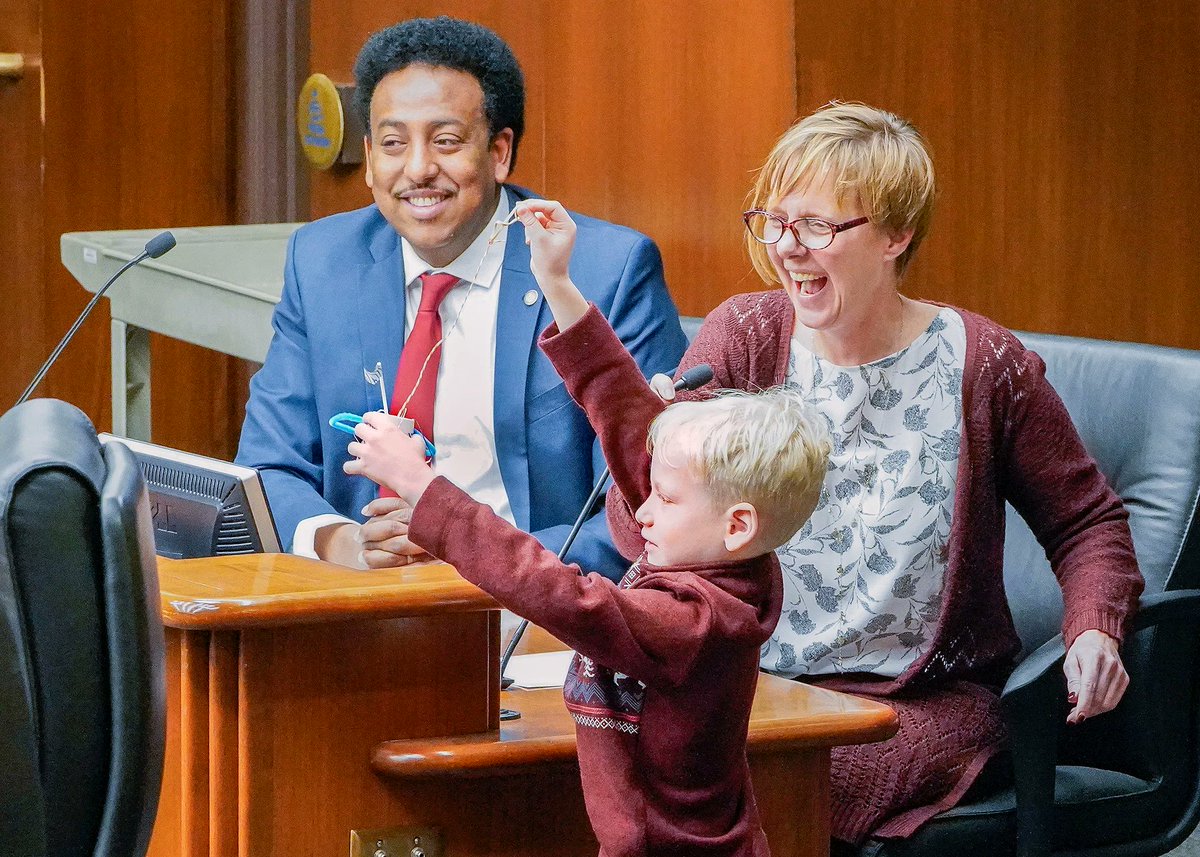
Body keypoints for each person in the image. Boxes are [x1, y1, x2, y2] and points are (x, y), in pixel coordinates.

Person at [660, 102, 1145, 846]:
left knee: (784, 772)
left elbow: (1086, 522)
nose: (788, 247)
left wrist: (1093, 628)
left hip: (924, 700)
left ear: (896, 234)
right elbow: (649, 525)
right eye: (775, 221)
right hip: (751, 685)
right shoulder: (744, 337)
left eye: (817, 226)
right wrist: (649, 443)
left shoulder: (985, 365)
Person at [344, 198, 831, 857]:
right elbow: (625, 415)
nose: (642, 509)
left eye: (663, 496)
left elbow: (557, 590)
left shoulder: (691, 617)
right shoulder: (715, 548)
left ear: (737, 523)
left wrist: (425, 490)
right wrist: (557, 283)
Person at [236, 17, 687, 579]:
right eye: (395, 144)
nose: (419, 169)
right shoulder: (323, 261)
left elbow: (649, 501)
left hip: (532, 610)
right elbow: (267, 467)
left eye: (445, 141)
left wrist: (476, 563)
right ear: (371, 160)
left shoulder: (602, 271)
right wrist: (342, 541)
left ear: (499, 153)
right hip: (358, 601)